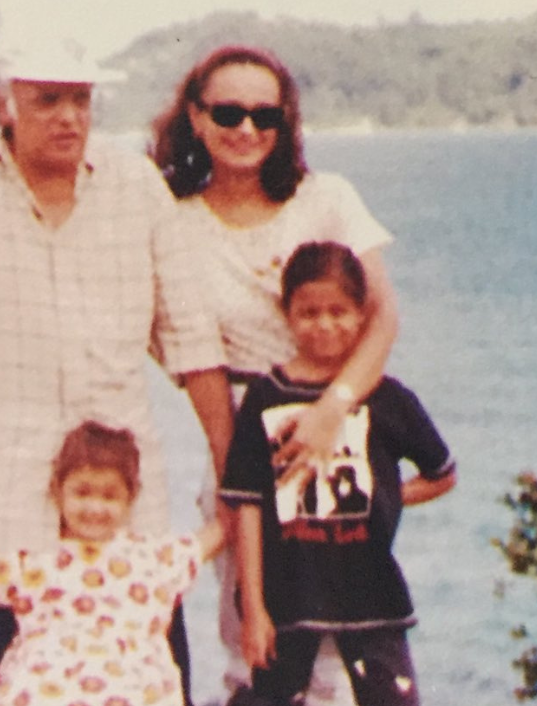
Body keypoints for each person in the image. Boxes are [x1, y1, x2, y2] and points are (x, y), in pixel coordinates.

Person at [0, 45, 233, 706]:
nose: (67, 118)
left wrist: (234, 472)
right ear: (7, 103)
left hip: (115, 500)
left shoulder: (135, 188)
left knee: (145, 681)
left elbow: (192, 342)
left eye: (80, 101)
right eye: (47, 100)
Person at [148, 45, 401, 700]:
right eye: (228, 112)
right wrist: (245, 480)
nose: (246, 130)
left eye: (265, 115)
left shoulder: (328, 199)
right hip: (241, 440)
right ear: (195, 119)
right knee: (257, 645)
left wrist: (332, 408)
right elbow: (194, 358)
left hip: (339, 438)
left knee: (351, 646)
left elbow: (382, 319)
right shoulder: (173, 224)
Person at [219, 242, 457, 706]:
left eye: (338, 311)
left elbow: (442, 473)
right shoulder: (266, 397)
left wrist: (383, 494)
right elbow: (247, 504)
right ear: (285, 311)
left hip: (370, 592)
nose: (324, 324)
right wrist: (253, 607)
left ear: (362, 313)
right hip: (287, 595)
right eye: (308, 312)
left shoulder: (387, 399)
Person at [0, 421, 228, 706]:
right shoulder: (38, 558)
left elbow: (217, 533)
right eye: (82, 492)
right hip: (48, 689)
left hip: (134, 690)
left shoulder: (155, 557)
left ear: (131, 497)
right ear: (58, 491)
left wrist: (253, 483)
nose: (94, 507)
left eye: (109, 496)